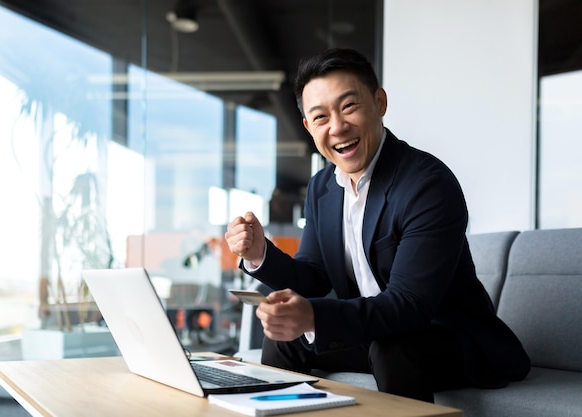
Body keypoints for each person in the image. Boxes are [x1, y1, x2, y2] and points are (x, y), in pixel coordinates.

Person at [224, 48, 530, 403]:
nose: (337, 127)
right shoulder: (322, 187)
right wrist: (261, 254)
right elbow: (315, 275)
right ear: (309, 127)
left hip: (448, 338)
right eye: (320, 117)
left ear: (379, 102)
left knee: (392, 348)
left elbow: (410, 306)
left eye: (349, 107)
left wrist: (313, 315)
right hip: (374, 334)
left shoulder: (427, 185)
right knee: (283, 337)